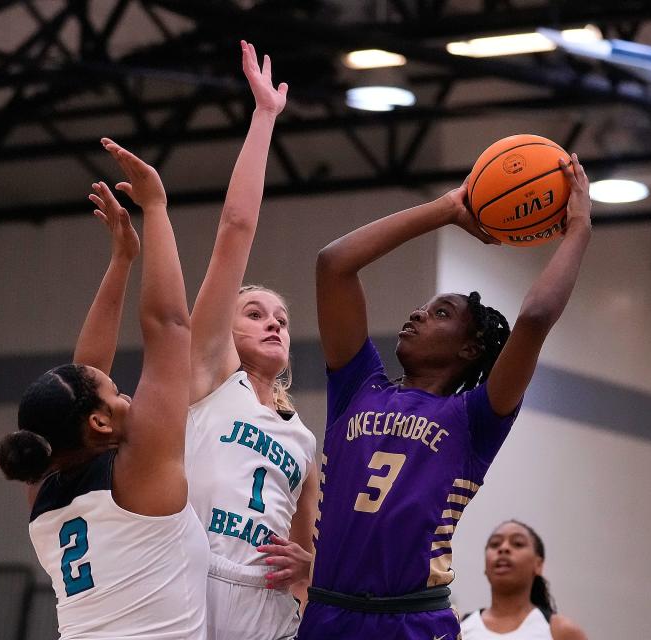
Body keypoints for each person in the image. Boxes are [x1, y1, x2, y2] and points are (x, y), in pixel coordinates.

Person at [298, 155, 593, 639]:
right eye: (422, 307)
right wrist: (448, 209)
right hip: (329, 611)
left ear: (471, 346)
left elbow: (536, 316)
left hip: (412, 619)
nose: (416, 315)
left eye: (440, 313)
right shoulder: (357, 386)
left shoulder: (475, 418)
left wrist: (578, 228)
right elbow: (334, 264)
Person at [0, 139, 208, 639]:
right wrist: (155, 209)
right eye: (118, 393)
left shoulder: (43, 492)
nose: (129, 396)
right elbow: (170, 326)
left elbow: (84, 375)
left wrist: (122, 260)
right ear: (99, 422)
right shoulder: (142, 472)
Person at [184, 41, 318, 639]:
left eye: (282, 318)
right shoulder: (210, 379)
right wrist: (265, 117)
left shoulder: (303, 440)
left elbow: (306, 558)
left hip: (265, 608)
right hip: (192, 580)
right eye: (256, 313)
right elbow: (236, 229)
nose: (274, 323)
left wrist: (311, 565)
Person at [460, 520, 587, 639]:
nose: (503, 548)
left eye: (518, 543)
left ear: (538, 565)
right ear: (485, 566)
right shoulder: (458, 628)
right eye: (495, 544)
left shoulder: (562, 631)